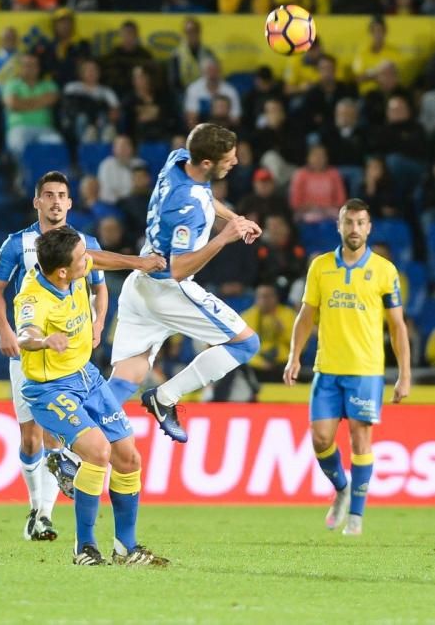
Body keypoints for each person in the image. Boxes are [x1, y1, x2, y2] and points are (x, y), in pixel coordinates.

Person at [14, 226, 168, 566]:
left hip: (87, 377)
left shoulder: (73, 271)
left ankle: (126, 548)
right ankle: (85, 547)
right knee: (98, 451)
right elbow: (25, 333)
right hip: (50, 387)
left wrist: (138, 263)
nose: (90, 261)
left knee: (129, 458)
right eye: (83, 257)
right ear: (63, 271)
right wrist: (43, 341)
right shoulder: (33, 298)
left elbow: (100, 259)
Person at [109, 123, 262, 442]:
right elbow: (180, 268)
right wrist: (224, 238)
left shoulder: (179, 159)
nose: (235, 162)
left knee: (124, 382)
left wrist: (235, 218)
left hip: (140, 284)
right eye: (229, 159)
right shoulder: (187, 206)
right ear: (207, 163)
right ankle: (164, 398)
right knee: (246, 343)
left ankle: (66, 447)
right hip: (168, 288)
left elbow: (205, 197)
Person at [0, 171, 108, 541]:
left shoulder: (84, 244)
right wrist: (6, 330)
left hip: (69, 360)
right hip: (30, 354)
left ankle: (43, 517)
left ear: (70, 202)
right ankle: (36, 506)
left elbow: (100, 290)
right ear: (37, 201)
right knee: (30, 439)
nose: (56, 201)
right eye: (49, 195)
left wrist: (100, 323)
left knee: (54, 434)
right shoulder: (16, 244)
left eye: (62, 195)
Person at [283, 198, 411, 536]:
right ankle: (340, 487)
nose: (354, 229)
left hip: (366, 369)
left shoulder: (385, 271)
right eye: (348, 222)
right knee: (320, 438)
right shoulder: (320, 266)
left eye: (360, 223)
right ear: (339, 226)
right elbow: (306, 315)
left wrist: (404, 375)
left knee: (360, 439)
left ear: (369, 228)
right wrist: (294, 356)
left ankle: (355, 515)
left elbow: (398, 326)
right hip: (327, 368)